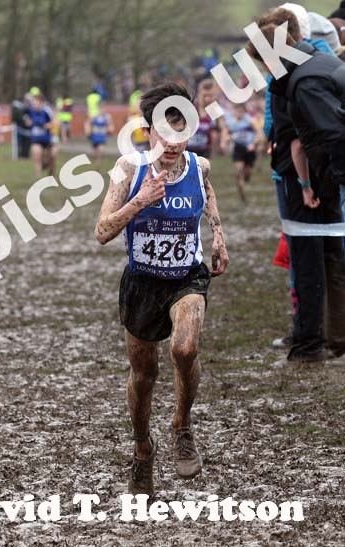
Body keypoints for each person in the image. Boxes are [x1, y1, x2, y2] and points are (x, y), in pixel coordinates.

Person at [94, 82, 229, 496]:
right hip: (142, 283)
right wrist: (140, 202)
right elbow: (101, 232)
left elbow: (207, 195)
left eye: (181, 132)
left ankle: (182, 426)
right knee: (144, 373)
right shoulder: (127, 169)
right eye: (164, 132)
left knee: (185, 349)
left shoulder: (199, 166)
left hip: (185, 277)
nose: (172, 143)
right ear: (148, 131)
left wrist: (219, 235)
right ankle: (141, 450)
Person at [250, 20, 345, 361]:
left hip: (315, 179)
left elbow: (314, 138)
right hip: (327, 177)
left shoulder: (301, 82)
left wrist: (312, 184)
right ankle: (337, 338)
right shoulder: (322, 63)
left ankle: (309, 343)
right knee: (334, 255)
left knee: (308, 260)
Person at [226, 103, 258, 204]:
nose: (238, 113)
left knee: (247, 174)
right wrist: (226, 139)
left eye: (241, 111)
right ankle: (242, 195)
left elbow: (259, 133)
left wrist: (253, 144)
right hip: (238, 148)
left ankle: (244, 180)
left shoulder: (250, 121)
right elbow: (226, 133)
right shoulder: (231, 122)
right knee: (239, 172)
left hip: (249, 149)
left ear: (244, 111)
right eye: (237, 111)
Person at [24, 93, 56, 178]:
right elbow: (27, 121)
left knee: (52, 157)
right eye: (33, 102)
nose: (34, 104)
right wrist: (29, 123)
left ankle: (51, 174)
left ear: (41, 102)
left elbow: (55, 122)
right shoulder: (31, 110)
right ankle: (38, 178)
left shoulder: (47, 111)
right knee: (37, 156)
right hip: (36, 139)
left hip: (47, 139)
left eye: (35, 102)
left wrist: (45, 125)